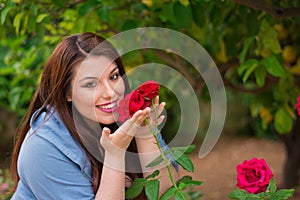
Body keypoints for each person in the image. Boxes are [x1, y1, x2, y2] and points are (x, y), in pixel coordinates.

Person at [10, 32, 178, 199]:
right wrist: (115, 154)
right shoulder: (44, 147)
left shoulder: (126, 114)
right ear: (67, 93)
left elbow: (167, 195)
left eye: (113, 76)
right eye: (91, 84)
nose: (110, 93)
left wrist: (145, 134)